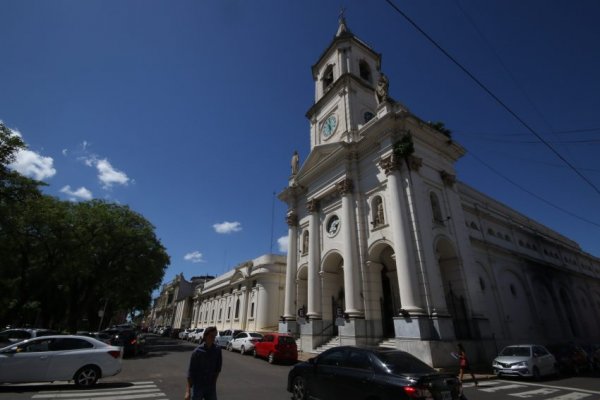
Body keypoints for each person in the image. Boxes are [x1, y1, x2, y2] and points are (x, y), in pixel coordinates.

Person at [185, 326, 222, 400]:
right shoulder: (197, 352)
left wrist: (213, 383)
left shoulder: (217, 350)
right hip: (198, 386)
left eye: (214, 336)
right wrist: (188, 391)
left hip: (210, 387)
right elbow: (191, 372)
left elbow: (217, 369)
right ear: (205, 336)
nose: (213, 338)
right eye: (211, 336)